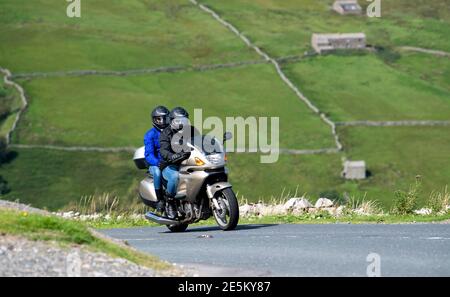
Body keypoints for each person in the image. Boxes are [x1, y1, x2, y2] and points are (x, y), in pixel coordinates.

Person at [159, 107, 194, 219]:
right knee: (174, 177)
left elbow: (200, 141)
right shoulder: (166, 133)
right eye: (179, 121)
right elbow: (163, 150)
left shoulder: (191, 130)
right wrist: (172, 156)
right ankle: (170, 202)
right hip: (170, 164)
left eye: (184, 120)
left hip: (188, 162)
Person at [144, 105, 170, 212]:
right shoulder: (150, 134)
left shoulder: (172, 132)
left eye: (165, 118)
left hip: (170, 161)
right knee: (158, 173)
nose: (162, 121)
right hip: (156, 164)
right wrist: (157, 162)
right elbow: (148, 155)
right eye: (159, 119)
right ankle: (160, 200)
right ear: (154, 120)